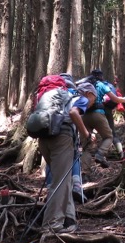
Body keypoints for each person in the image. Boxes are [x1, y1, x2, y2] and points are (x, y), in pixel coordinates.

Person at [37, 83, 91, 233]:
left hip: (43, 139)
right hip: (62, 139)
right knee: (60, 182)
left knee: (63, 179)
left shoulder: (49, 98)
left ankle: (68, 219)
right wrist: (86, 135)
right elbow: (74, 113)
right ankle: (51, 225)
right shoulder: (80, 98)